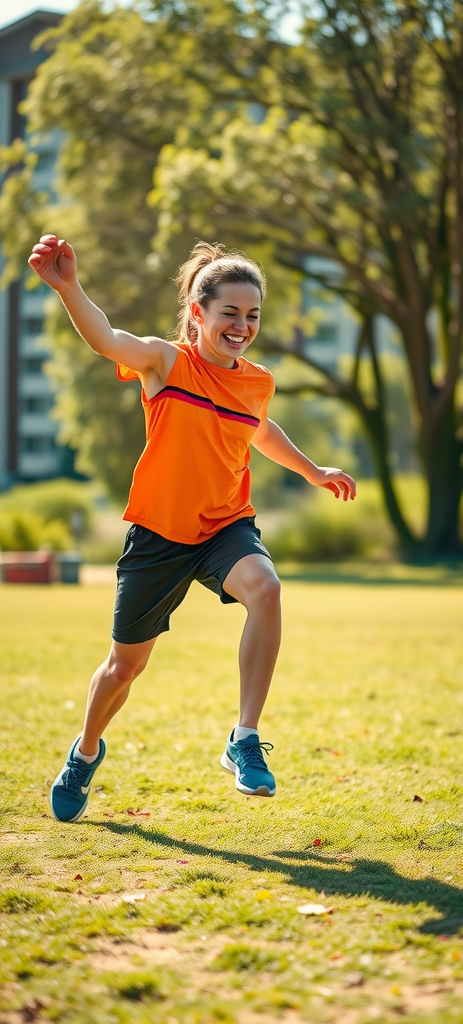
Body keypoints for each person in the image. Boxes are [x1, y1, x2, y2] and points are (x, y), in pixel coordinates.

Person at [28, 234, 356, 823]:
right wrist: (68, 287)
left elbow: (257, 427)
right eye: (229, 312)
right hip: (158, 535)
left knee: (268, 588)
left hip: (225, 525)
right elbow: (106, 339)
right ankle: (85, 751)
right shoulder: (166, 362)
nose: (242, 325)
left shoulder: (256, 382)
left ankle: (245, 738)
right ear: (199, 313)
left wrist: (312, 469)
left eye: (252, 315)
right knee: (124, 667)